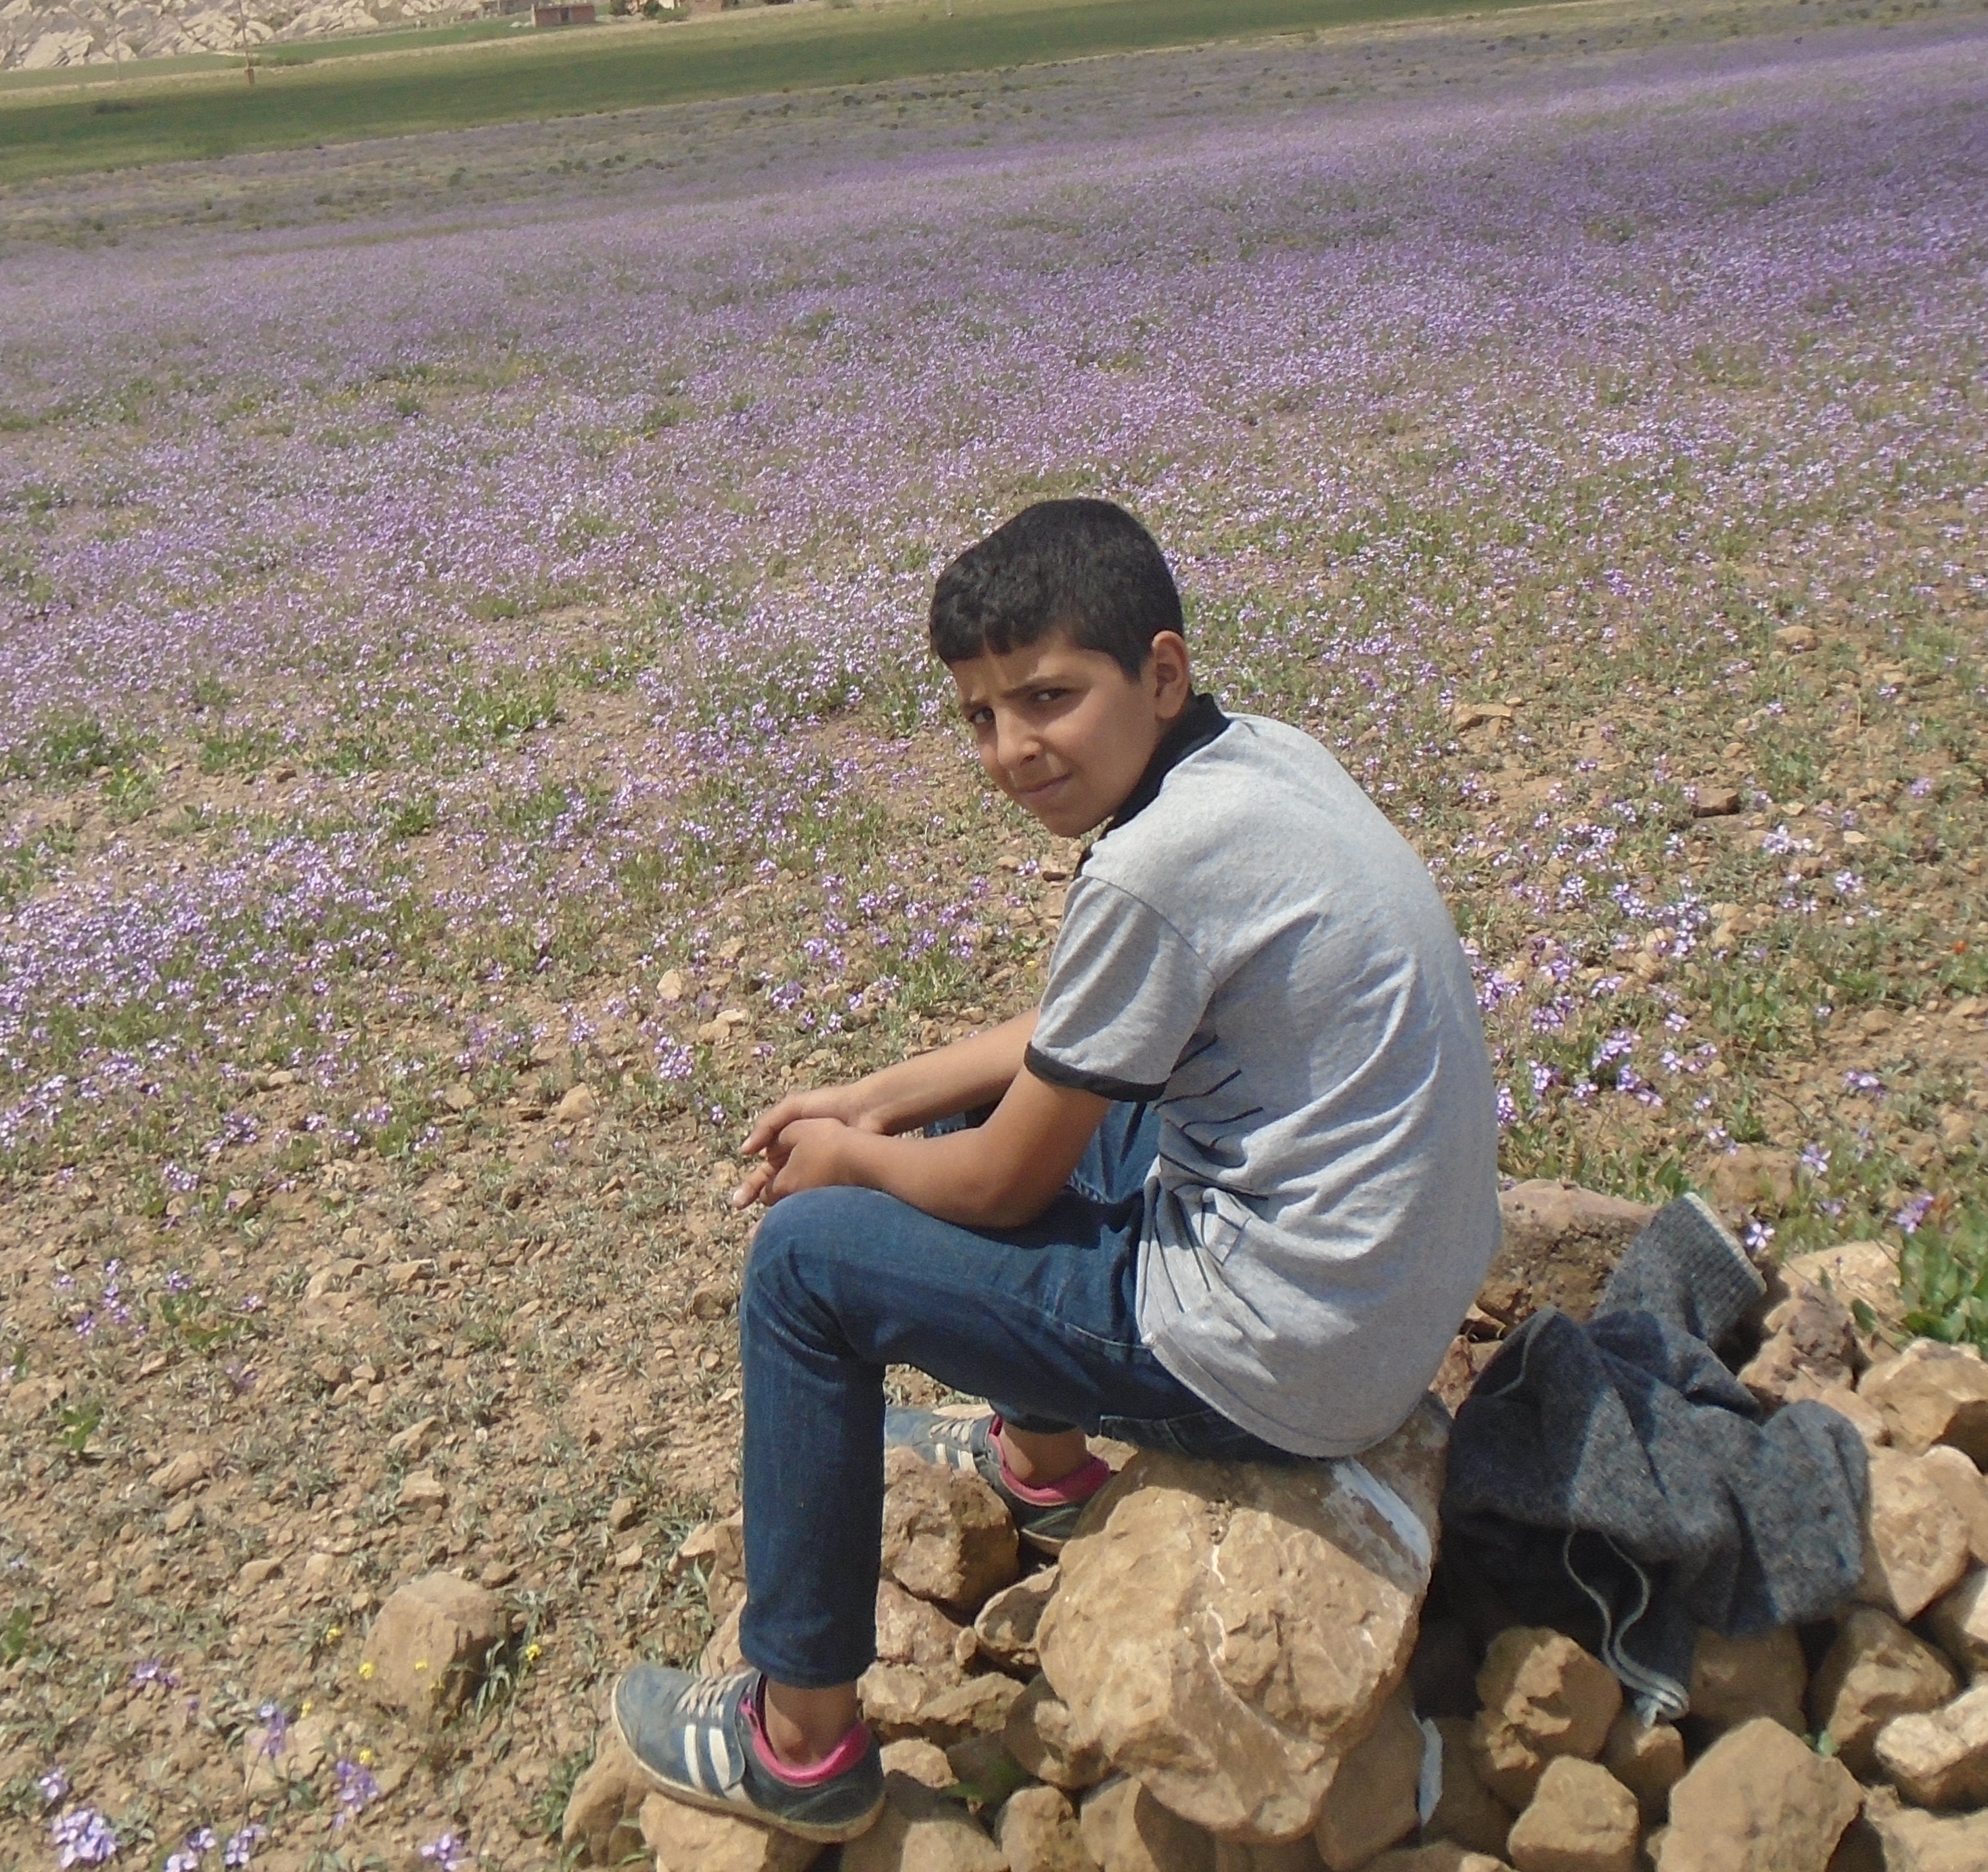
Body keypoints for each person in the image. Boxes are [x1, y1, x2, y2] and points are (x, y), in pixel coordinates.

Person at [610, 498, 1505, 1837]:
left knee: (806, 1261)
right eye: (979, 715)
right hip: (1373, 1303)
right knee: (993, 1128)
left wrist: (851, 1158)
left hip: (1288, 1364)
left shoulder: (1152, 865)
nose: (1012, 751)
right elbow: (1089, 1038)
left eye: (1046, 698)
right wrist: (876, 1097)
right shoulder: (1254, 764)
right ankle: (1039, 1467)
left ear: (1158, 670)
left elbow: (1000, 1192)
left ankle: (794, 1743)